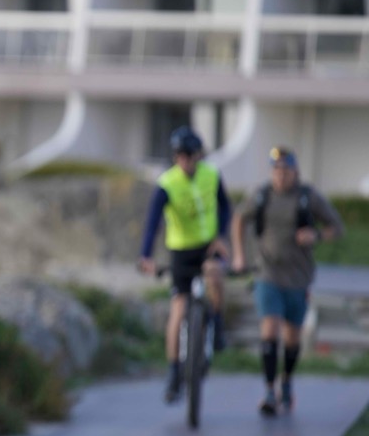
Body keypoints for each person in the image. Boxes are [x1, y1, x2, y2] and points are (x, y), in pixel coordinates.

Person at [231, 146, 343, 416]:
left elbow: (337, 228)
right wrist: (239, 255)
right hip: (267, 273)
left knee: (292, 337)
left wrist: (316, 235)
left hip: (298, 277)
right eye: (276, 170)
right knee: (269, 329)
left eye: (286, 170)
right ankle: (269, 390)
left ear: (295, 172)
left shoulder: (307, 197)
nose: (281, 175)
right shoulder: (262, 195)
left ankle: (287, 381)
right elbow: (238, 219)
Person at [138, 126, 232, 404]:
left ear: (198, 155)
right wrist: (146, 255)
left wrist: (221, 236)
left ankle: (217, 324)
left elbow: (225, 207)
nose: (185, 161)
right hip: (180, 250)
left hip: (208, 245)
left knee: (215, 275)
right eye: (180, 155)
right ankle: (173, 372)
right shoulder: (167, 183)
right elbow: (153, 221)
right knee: (178, 310)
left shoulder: (211, 175)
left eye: (190, 155)